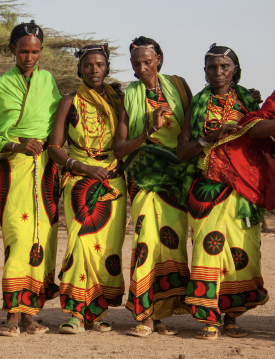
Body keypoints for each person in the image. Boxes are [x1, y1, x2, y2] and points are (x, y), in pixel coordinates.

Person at [178, 44, 271, 340]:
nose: (218, 72)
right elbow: (182, 151)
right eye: (211, 67)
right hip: (208, 188)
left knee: (243, 253)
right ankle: (209, 317)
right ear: (204, 72)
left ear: (235, 70)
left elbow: (261, 138)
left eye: (224, 67)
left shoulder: (248, 101)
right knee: (208, 250)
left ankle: (232, 315)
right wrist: (210, 138)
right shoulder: (197, 103)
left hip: (244, 193)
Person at [0, 20, 61, 337]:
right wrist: (17, 144)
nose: (29, 57)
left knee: (42, 237)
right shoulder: (1, 86)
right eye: (23, 51)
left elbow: (57, 119)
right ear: (12, 50)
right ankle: (12, 314)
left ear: (41, 52)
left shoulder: (48, 82)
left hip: (44, 168)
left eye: (35, 52)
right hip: (13, 166)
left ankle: (31, 314)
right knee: (18, 237)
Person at [113, 36, 193, 337]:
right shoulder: (128, 96)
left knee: (170, 244)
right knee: (146, 241)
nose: (142, 68)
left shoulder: (180, 86)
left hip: (176, 176)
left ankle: (162, 315)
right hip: (144, 175)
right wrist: (149, 129)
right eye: (136, 64)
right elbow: (120, 148)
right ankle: (144, 315)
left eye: (147, 61)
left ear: (158, 58)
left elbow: (194, 123)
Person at [47, 44, 125, 334]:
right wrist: (84, 168)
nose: (94, 70)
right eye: (88, 65)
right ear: (79, 68)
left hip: (113, 181)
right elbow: (54, 148)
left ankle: (97, 313)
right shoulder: (69, 101)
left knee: (106, 248)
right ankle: (76, 313)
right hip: (80, 181)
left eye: (100, 65)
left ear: (107, 68)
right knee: (80, 244)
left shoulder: (119, 100)